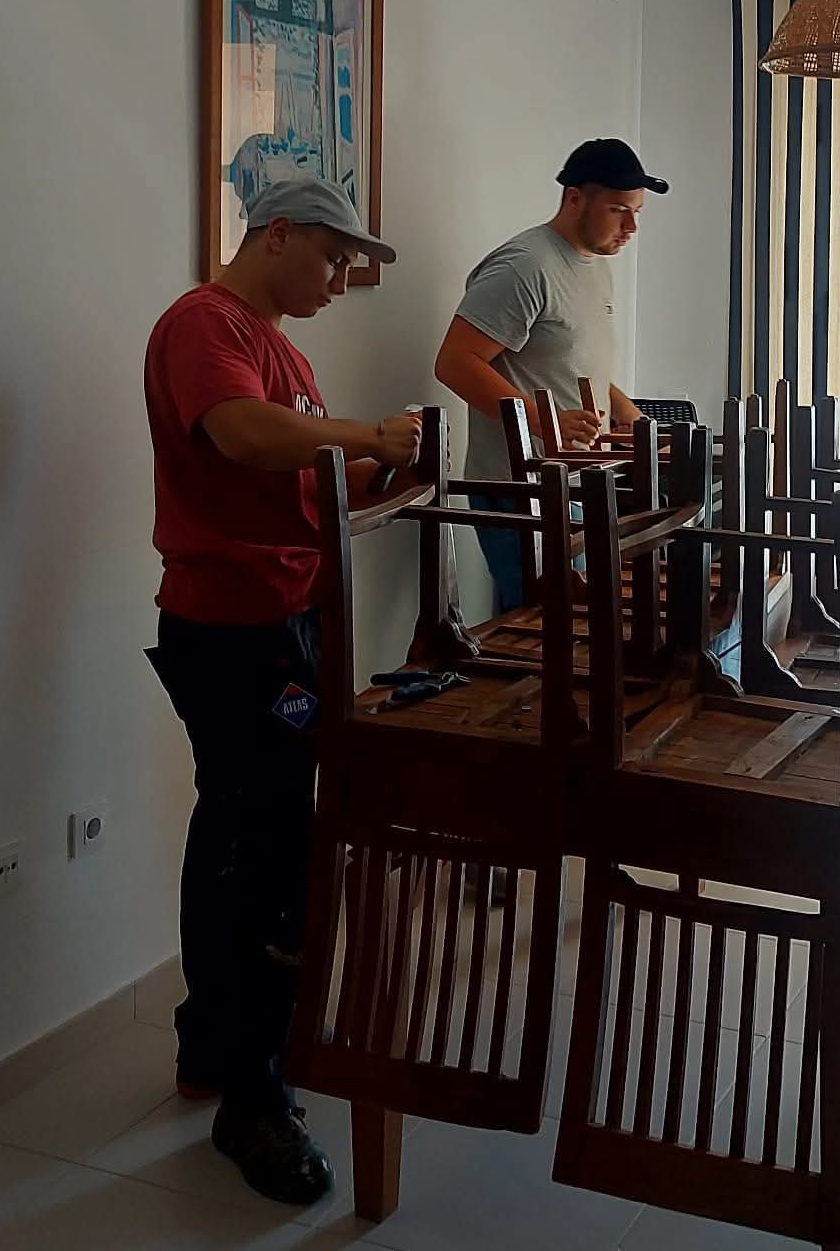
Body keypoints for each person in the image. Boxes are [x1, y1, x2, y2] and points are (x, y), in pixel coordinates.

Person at [143, 175, 422, 1204]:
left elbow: (302, 476)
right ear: (278, 235)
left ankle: (218, 1046)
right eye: (334, 259)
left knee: (247, 832)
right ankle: (253, 1095)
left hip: (283, 620)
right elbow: (245, 436)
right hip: (233, 630)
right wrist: (365, 435)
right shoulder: (204, 324)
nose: (341, 283)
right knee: (263, 849)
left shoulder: (282, 349)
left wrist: (392, 466)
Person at [434, 137, 667, 611]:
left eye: (637, 212)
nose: (631, 227)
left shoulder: (595, 266)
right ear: (575, 198)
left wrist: (631, 417)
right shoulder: (525, 266)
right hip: (520, 488)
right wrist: (546, 423)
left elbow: (572, 362)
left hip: (575, 481)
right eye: (619, 211)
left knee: (573, 622)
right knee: (543, 624)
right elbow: (455, 363)